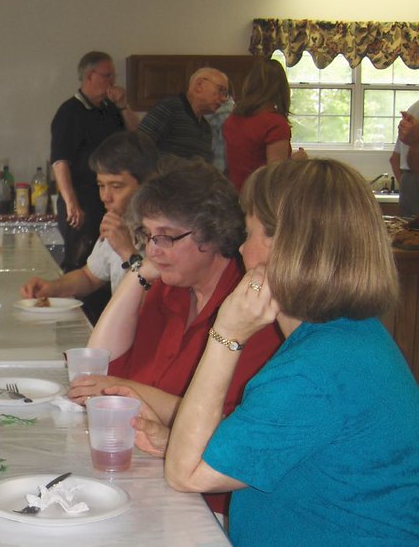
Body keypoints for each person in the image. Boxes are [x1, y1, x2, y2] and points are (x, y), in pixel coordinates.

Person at [165, 159, 419, 544]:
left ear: (284, 250)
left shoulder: (312, 370)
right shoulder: (347, 337)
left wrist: (226, 335)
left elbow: (186, 473)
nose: (241, 250)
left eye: (249, 235)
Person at [70, 160, 282, 515]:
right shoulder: (170, 292)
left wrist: (129, 389)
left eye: (166, 236)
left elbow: (226, 429)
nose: (153, 248)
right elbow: (98, 362)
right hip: (150, 481)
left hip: (211, 505)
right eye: (148, 236)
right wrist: (141, 274)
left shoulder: (250, 308)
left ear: (212, 233)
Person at [21, 131, 158, 323]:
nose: (105, 197)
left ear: (147, 184)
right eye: (101, 185)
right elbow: (90, 276)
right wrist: (52, 288)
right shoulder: (119, 221)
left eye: (117, 186)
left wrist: (128, 252)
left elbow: (159, 304)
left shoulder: (165, 231)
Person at [50, 51, 141, 273]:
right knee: (81, 258)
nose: (113, 81)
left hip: (111, 199)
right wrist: (71, 202)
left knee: (111, 255)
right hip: (83, 199)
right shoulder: (70, 111)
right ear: (90, 76)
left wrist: (123, 105)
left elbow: (138, 137)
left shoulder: (110, 108)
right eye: (108, 75)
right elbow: (60, 161)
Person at [222, 59, 293, 191]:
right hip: (259, 197)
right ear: (281, 88)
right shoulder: (275, 124)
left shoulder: (232, 119)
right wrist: (295, 161)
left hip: (234, 193)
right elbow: (275, 175)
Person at [138, 68, 229, 161]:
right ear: (199, 85)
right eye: (220, 90)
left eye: (225, 94)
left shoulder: (206, 128)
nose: (224, 99)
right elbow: (137, 147)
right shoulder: (170, 108)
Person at [392, 99, 419, 216]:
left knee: (410, 231)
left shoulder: (415, 108)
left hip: (409, 181)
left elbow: (394, 159)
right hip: (410, 181)